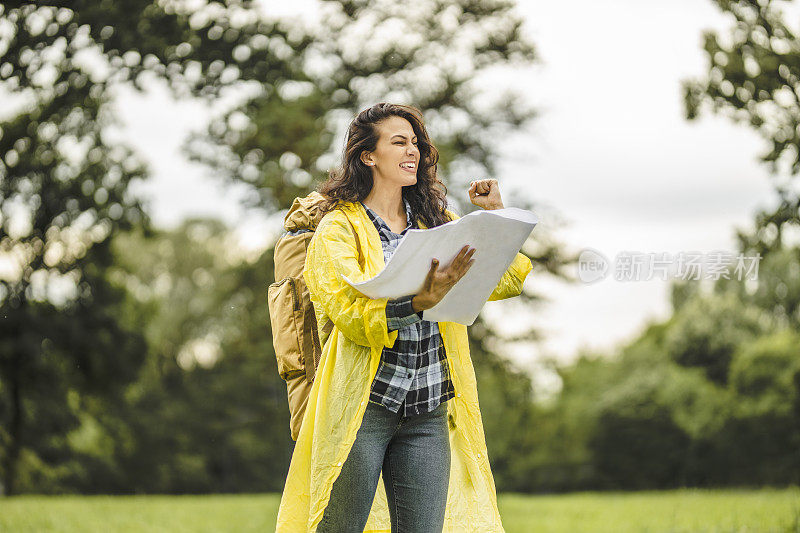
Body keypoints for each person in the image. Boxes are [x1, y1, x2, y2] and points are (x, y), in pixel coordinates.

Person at [275, 103, 533, 532]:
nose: (412, 150)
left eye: (415, 142)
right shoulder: (339, 230)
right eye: (399, 142)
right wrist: (415, 302)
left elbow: (504, 279)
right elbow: (350, 315)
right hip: (362, 410)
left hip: (428, 410)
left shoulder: (438, 223)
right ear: (367, 156)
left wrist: (494, 216)